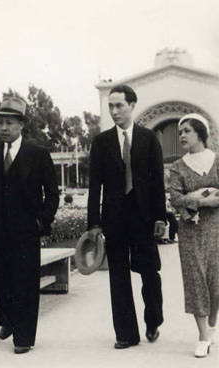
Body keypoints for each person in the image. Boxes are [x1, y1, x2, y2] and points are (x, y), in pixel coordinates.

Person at [87, 84, 166, 349]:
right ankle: (126, 334)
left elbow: (157, 183)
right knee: (118, 276)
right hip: (114, 219)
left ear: (132, 105)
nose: (114, 111)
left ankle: (153, 319)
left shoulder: (148, 138)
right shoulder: (101, 142)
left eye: (119, 105)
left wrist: (160, 217)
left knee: (149, 273)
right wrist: (94, 224)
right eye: (110, 106)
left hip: (144, 218)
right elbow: (94, 186)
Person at [0, 96, 59, 354]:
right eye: (0, 122)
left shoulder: (37, 154)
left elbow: (52, 194)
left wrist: (40, 222)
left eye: (9, 123)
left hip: (26, 231)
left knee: (24, 283)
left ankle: (23, 337)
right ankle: (8, 319)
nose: (3, 127)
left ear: (21, 125)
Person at [169, 113, 219, 358]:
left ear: (200, 132)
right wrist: (204, 197)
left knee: (216, 282)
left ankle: (211, 326)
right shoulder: (177, 167)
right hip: (190, 231)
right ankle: (202, 336)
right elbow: (176, 199)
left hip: (217, 229)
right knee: (195, 281)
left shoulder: (217, 160)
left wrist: (198, 199)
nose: (182, 136)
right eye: (180, 132)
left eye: (186, 131)